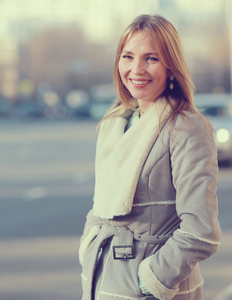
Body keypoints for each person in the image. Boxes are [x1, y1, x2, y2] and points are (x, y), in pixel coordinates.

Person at [78, 14, 221, 300]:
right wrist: (89, 245)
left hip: (150, 288)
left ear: (171, 67)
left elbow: (201, 230)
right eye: (128, 56)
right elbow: (101, 206)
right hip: (102, 277)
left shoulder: (185, 127)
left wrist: (148, 282)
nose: (136, 69)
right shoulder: (115, 122)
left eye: (151, 58)